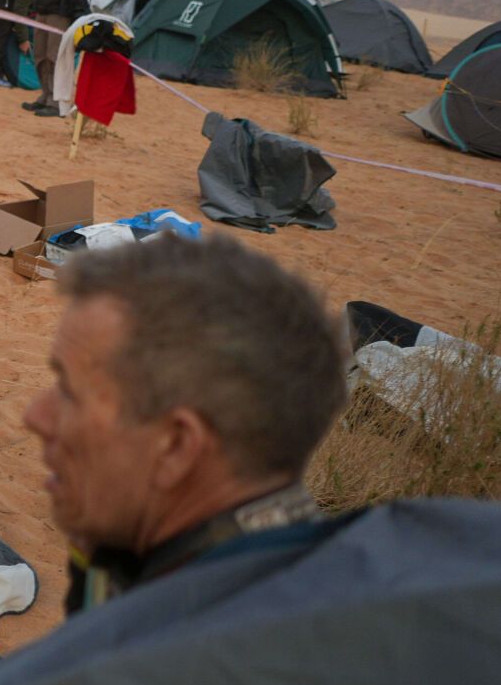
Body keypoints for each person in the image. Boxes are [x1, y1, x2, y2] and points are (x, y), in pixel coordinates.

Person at [24, 234, 347, 614]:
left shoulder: (195, 655)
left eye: (69, 392)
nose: (35, 417)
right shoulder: (137, 537)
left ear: (175, 446)